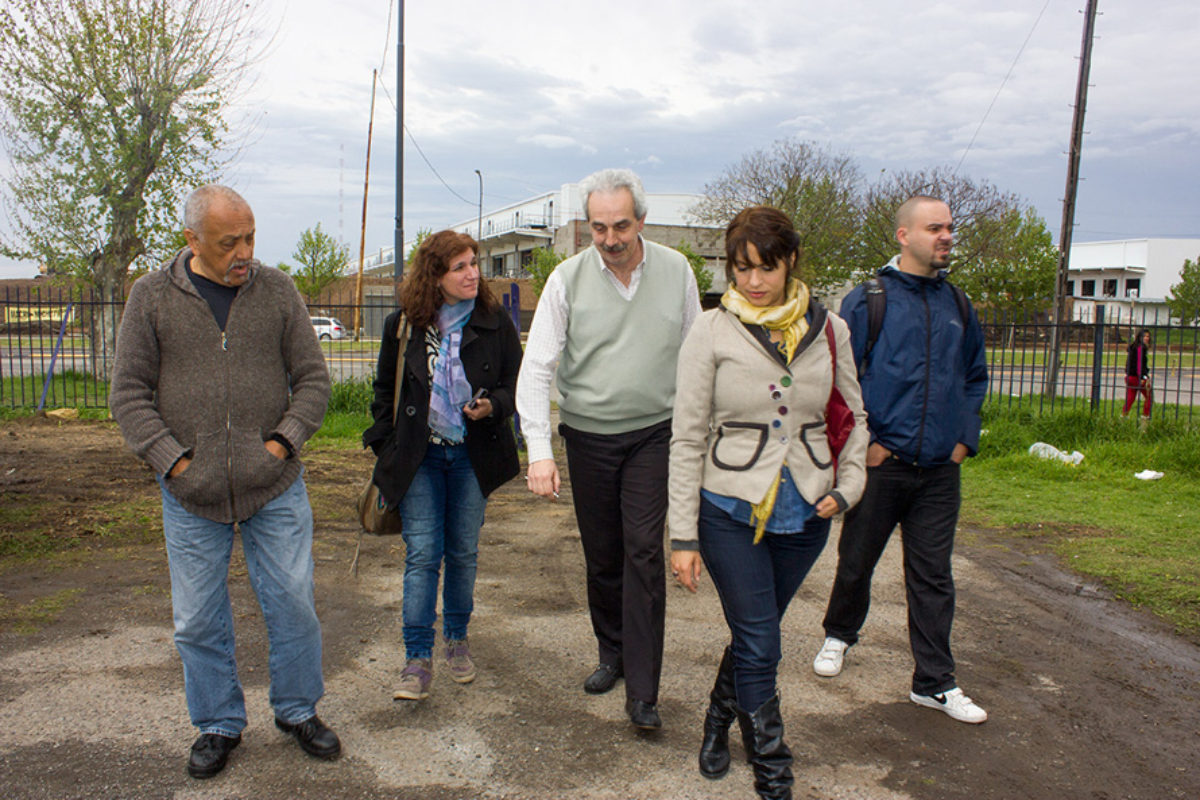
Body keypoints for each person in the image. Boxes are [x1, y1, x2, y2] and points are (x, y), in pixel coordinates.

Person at [110, 185, 339, 779]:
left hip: (274, 484)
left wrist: (280, 444)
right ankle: (217, 723)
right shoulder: (151, 297)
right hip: (190, 492)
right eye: (228, 241)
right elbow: (129, 396)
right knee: (197, 618)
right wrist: (175, 462)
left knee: (292, 603)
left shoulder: (278, 290)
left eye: (250, 236)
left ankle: (296, 710)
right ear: (192, 241)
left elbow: (313, 381)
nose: (244, 251)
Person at [668, 206, 868, 799]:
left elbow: (853, 416)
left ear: (791, 263)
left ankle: (716, 721)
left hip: (808, 510)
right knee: (761, 641)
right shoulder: (709, 330)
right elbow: (686, 436)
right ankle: (773, 772)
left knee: (758, 635)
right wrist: (683, 537)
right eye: (740, 268)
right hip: (729, 507)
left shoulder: (832, 330)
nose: (752, 281)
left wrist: (848, 486)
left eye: (766, 268)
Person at [516, 168, 702, 731]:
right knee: (604, 555)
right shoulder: (567, 280)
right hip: (589, 435)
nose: (611, 239)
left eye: (621, 225)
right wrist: (539, 450)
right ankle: (613, 652)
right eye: (598, 228)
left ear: (641, 220)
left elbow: (696, 356)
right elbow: (538, 367)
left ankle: (643, 691)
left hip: (654, 432)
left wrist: (702, 435)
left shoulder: (677, 270)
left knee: (643, 550)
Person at [812, 195, 990, 725]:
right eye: (935, 228)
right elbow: (839, 380)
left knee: (933, 576)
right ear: (903, 235)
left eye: (949, 228)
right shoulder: (870, 300)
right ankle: (839, 635)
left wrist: (964, 438)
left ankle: (934, 683)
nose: (946, 237)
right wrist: (864, 444)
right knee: (857, 560)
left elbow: (975, 376)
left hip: (939, 469)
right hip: (881, 463)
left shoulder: (959, 304)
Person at [363, 230, 522, 702]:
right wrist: (385, 447)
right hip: (421, 459)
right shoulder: (404, 325)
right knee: (423, 555)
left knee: (463, 552)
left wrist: (492, 405)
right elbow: (383, 392)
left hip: (473, 456)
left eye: (474, 263)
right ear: (435, 276)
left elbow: (517, 385)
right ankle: (416, 658)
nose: (473, 273)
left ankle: (456, 639)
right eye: (460, 267)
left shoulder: (495, 322)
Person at [1122, 328, 1153, 419]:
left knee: (1130, 397)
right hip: (1137, 377)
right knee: (1149, 396)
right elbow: (1139, 364)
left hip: (1130, 377)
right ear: (1139, 337)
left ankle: (1124, 415)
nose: (1147, 338)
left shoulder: (1133, 347)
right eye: (1144, 336)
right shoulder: (1140, 348)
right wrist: (1143, 377)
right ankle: (1145, 415)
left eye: (1148, 336)